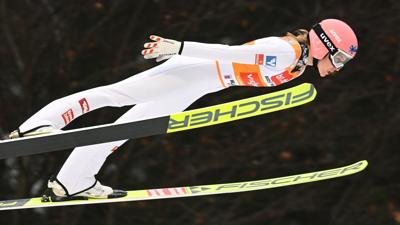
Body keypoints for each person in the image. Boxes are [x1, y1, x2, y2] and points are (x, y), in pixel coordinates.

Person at [9, 18, 358, 201]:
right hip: (192, 71)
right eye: (340, 57)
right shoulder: (285, 52)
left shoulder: (298, 63)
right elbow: (231, 53)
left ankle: (72, 183)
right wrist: (180, 48)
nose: (338, 66)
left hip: (199, 84)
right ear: (324, 45)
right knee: (116, 94)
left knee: (121, 131)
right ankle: (37, 126)